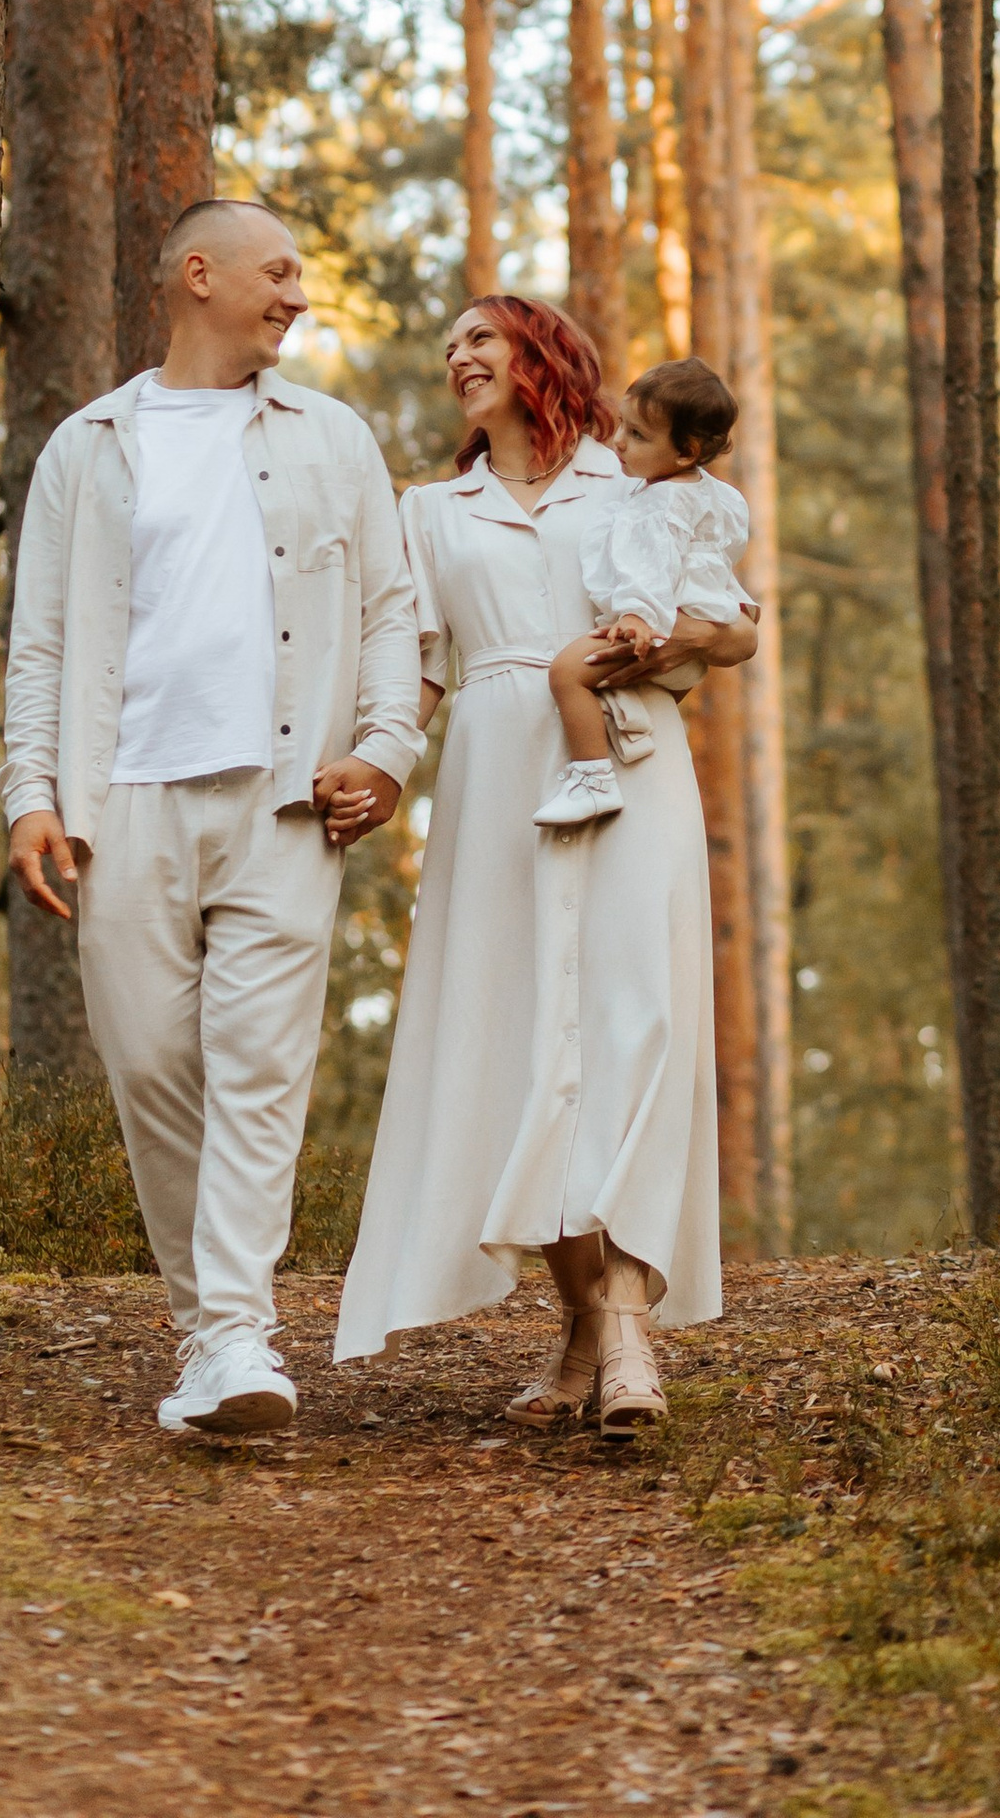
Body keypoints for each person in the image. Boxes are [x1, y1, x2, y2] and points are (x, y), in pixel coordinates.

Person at [0, 199, 422, 1439]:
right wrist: (31, 793)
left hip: (286, 800)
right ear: (200, 274)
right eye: (279, 272)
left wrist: (387, 751)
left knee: (259, 1067)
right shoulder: (89, 445)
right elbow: (42, 645)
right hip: (120, 797)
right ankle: (211, 1329)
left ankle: (233, 1337)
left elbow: (394, 615)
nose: (297, 296)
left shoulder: (332, 438)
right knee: (148, 1064)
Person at [334, 295, 757, 1432]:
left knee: (636, 1030)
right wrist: (379, 770)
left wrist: (680, 640)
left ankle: (628, 1331)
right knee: (522, 1042)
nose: (457, 356)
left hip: (629, 762)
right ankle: (579, 1312)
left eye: (482, 337)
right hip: (491, 782)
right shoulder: (430, 514)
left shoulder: (635, 485)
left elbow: (737, 623)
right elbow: (417, 666)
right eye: (449, 346)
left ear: (543, 356)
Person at [538, 355, 750, 830]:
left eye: (637, 436)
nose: (618, 443)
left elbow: (647, 568)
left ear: (686, 451)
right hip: (696, 636)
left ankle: (592, 779)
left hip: (654, 626)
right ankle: (630, 731)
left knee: (567, 673)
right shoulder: (713, 493)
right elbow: (722, 553)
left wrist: (636, 615)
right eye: (622, 427)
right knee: (630, 690)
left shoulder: (657, 502)